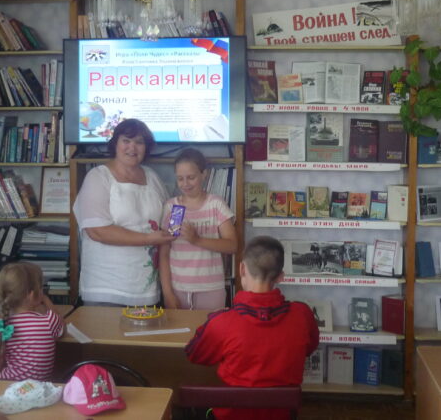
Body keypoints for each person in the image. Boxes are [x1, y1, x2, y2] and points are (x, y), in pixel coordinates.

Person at [185, 235, 319, 420]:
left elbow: (194, 354)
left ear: (241, 269)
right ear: (281, 276)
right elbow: (310, 348)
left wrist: (212, 321)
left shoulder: (223, 322)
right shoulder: (302, 315)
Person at [72, 118, 174, 305]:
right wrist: (149, 238)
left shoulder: (152, 177)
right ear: (115, 144)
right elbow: (97, 231)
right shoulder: (98, 177)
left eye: (139, 142)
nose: (132, 147)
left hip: (146, 290)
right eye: (126, 140)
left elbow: (168, 221)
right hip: (105, 289)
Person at [159, 148, 237, 310]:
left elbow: (232, 245)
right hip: (178, 288)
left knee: (211, 327)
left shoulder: (215, 204)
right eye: (180, 178)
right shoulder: (173, 207)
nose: (185, 184)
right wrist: (167, 293)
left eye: (191, 177)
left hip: (211, 289)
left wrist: (197, 240)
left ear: (204, 174)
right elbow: (164, 254)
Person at [0, 261, 65, 380]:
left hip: (8, 385)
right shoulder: (50, 321)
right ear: (31, 295)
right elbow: (62, 326)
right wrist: (46, 299)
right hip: (39, 387)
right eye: (41, 288)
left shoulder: (0, 326)